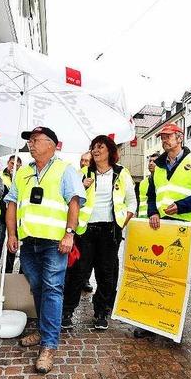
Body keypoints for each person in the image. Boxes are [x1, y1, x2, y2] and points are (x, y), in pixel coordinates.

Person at [5, 126, 85, 374]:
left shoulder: (65, 170)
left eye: (36, 140)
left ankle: (49, 344)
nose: (31, 144)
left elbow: (74, 203)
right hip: (29, 242)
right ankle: (42, 331)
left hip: (54, 242)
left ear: (51, 144)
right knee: (38, 287)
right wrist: (11, 234)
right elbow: (12, 203)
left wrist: (69, 234)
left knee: (52, 289)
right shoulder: (22, 173)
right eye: (29, 140)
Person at [134, 123, 191, 339]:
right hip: (161, 226)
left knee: (176, 276)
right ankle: (150, 322)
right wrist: (152, 213)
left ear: (180, 137)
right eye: (162, 137)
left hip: (184, 228)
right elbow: (151, 195)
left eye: (168, 136)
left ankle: (171, 321)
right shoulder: (158, 167)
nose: (164, 140)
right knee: (156, 273)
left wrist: (182, 206)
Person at [62, 135, 137, 330]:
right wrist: (82, 187)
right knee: (78, 272)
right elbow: (69, 200)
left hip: (109, 230)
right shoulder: (83, 173)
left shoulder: (122, 173)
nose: (95, 151)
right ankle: (67, 310)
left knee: (106, 274)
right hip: (86, 230)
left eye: (100, 147)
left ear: (110, 151)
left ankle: (101, 312)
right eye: (93, 147)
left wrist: (122, 222)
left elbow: (132, 202)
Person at [77, 151, 94, 293]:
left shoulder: (95, 175)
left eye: (86, 161)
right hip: (79, 222)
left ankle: (85, 279)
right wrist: (82, 186)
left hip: (94, 221)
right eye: (82, 160)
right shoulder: (77, 175)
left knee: (89, 256)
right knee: (79, 255)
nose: (83, 163)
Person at [137, 152, 159, 218]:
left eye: (154, 161)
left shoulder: (163, 181)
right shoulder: (143, 182)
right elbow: (140, 200)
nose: (151, 163)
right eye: (150, 161)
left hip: (156, 220)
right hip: (142, 218)